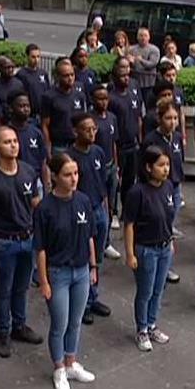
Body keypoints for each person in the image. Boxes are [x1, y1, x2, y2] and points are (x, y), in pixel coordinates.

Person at [0, 126, 43, 358]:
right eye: (6, 142)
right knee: (4, 290)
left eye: (15, 141)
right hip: (3, 243)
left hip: (27, 240)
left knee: (21, 287)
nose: (13, 145)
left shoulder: (28, 171)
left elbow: (35, 204)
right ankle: (4, 331)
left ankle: (19, 326)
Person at [34, 153, 97, 389]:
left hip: (81, 270)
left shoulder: (82, 200)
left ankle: (72, 361)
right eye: (68, 174)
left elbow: (89, 236)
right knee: (59, 323)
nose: (73, 179)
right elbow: (40, 248)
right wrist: (44, 281)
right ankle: (59, 367)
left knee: (76, 320)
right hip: (58, 273)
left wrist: (93, 266)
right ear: (55, 176)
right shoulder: (45, 208)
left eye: (76, 174)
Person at [123, 145, 174, 351]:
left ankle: (152, 324)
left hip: (164, 247)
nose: (165, 169)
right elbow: (129, 225)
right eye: (161, 165)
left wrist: (171, 242)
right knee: (145, 291)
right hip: (146, 249)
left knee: (158, 290)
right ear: (148, 167)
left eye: (167, 164)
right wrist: (130, 253)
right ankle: (142, 329)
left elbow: (169, 218)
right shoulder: (137, 192)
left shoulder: (168, 187)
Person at [66, 114, 112, 326]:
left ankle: (93, 297)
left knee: (98, 258)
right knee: (84, 258)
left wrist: (105, 207)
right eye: (87, 129)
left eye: (94, 129)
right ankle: (81, 305)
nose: (92, 133)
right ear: (76, 131)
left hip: (99, 209)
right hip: (80, 214)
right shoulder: (70, 157)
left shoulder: (98, 152)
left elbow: (103, 181)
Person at [142, 100, 185, 283]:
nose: (173, 122)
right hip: (157, 188)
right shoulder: (151, 140)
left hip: (174, 185)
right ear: (159, 118)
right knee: (160, 225)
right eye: (168, 118)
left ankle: (166, 264)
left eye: (175, 118)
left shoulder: (176, 137)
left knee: (170, 224)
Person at [108, 57, 143, 217]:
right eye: (122, 75)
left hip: (133, 144)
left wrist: (139, 139)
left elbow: (138, 118)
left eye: (128, 75)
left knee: (130, 181)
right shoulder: (112, 97)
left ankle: (126, 211)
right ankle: (113, 211)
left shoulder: (133, 92)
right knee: (116, 181)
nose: (126, 78)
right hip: (119, 145)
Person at [89, 85, 121, 237]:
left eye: (105, 99)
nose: (103, 102)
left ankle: (106, 240)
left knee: (111, 203)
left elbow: (114, 143)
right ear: (93, 100)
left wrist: (116, 164)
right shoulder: (90, 120)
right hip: (96, 168)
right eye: (99, 99)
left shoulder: (112, 118)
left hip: (111, 166)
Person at [41, 60, 87, 156]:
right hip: (59, 145)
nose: (70, 78)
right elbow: (45, 124)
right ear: (58, 77)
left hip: (76, 144)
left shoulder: (80, 96)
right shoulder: (49, 96)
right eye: (66, 76)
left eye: (72, 75)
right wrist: (48, 148)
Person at [8, 91, 49, 194]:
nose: (25, 109)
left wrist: (46, 184)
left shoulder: (36, 132)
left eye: (27, 106)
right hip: (13, 183)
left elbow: (43, 162)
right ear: (11, 108)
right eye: (21, 106)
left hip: (35, 181)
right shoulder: (6, 133)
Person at [16, 44, 51, 120]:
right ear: (27, 57)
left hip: (43, 114)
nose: (36, 60)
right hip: (30, 115)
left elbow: (48, 92)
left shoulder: (43, 73)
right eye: (33, 57)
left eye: (38, 57)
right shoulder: (21, 74)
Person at [128, 27, 160, 98]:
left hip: (148, 82)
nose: (143, 38)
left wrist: (141, 60)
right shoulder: (131, 49)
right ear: (137, 37)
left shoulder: (154, 49)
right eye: (141, 35)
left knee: (148, 104)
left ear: (149, 37)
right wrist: (129, 62)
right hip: (134, 81)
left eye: (145, 35)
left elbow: (153, 63)